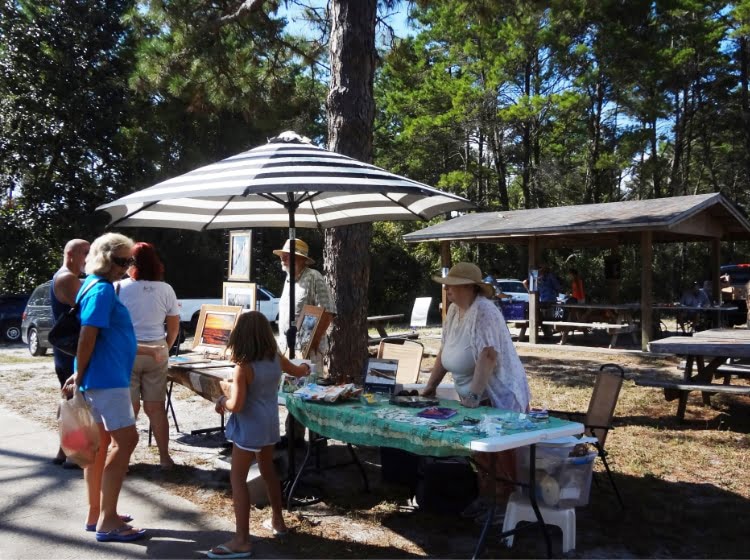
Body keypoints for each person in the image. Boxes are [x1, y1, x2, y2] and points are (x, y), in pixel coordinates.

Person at [62, 232, 161, 542]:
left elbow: (103, 338)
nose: (127, 266)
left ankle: (99, 514)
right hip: (108, 381)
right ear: (106, 258)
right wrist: (79, 374)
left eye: (129, 260)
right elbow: (87, 336)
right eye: (122, 260)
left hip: (104, 377)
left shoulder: (94, 285)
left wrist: (145, 350)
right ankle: (108, 521)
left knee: (100, 448)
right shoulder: (102, 290)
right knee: (125, 442)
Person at [421, 262, 531, 524]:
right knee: (479, 451)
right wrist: (431, 385)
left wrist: (473, 396)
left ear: (470, 287)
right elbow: (444, 352)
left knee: (497, 450)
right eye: (446, 285)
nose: (447, 289)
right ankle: (486, 498)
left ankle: (504, 504)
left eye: (453, 285)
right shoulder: (454, 313)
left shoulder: (485, 312)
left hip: (496, 393)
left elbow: (488, 356)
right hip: (473, 395)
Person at [208, 311, 310, 559]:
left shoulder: (243, 367)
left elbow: (238, 404)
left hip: (248, 430)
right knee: (268, 471)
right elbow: (299, 371)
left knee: (238, 480)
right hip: (269, 427)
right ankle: (278, 521)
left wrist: (222, 400)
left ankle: (242, 539)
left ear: (240, 336)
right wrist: (306, 366)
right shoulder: (275, 357)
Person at [117, 242, 180, 470]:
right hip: (157, 350)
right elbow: (173, 327)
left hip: (127, 351)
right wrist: (165, 347)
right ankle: (164, 457)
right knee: (156, 407)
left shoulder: (119, 288)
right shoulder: (166, 289)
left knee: (128, 409)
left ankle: (123, 460)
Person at [51, 238, 90, 467]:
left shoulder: (66, 276)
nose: (89, 257)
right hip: (71, 353)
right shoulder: (67, 278)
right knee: (74, 405)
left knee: (68, 402)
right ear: (72, 254)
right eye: (86, 252)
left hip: (66, 352)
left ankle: (63, 452)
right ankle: (72, 453)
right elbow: (86, 304)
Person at [274, 237, 335, 367]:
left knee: (309, 386)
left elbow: (328, 311)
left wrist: (312, 344)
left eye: (288, 255)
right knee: (289, 387)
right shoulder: (288, 279)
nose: (283, 259)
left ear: (302, 259)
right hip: (286, 349)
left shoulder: (314, 276)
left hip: (307, 353)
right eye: (282, 255)